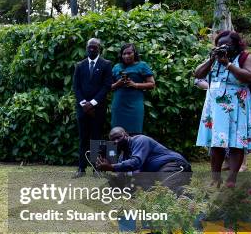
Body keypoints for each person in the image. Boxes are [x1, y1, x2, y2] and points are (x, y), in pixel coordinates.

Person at [195, 30, 251, 187]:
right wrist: (211, 60)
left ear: (237, 44)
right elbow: (198, 74)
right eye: (219, 45)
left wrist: (228, 65)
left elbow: (249, 76)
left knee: (237, 141)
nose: (223, 47)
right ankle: (215, 178)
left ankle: (231, 179)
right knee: (216, 142)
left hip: (237, 104)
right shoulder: (216, 58)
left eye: (227, 44)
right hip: (215, 105)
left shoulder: (246, 57)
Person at [97, 127, 192, 193]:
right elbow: (125, 177)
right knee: (135, 186)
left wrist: (112, 167)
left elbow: (136, 163)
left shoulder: (140, 140)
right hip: (155, 172)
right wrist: (107, 175)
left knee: (165, 192)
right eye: (113, 140)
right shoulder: (123, 156)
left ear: (126, 134)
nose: (116, 141)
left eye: (118, 137)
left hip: (174, 165)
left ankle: (192, 195)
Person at [72, 38, 113, 178]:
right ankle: (81, 169)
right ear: (86, 48)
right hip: (82, 110)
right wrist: (84, 104)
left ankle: (96, 168)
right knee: (83, 139)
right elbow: (76, 87)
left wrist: (93, 103)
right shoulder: (79, 65)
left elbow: (106, 86)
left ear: (99, 48)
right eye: (89, 47)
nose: (92, 49)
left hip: (98, 109)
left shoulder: (106, 64)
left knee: (96, 139)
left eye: (95, 47)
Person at [110, 43, 155, 134]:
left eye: (129, 53)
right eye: (124, 54)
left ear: (135, 53)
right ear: (121, 55)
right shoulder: (116, 67)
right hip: (119, 105)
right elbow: (108, 87)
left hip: (134, 106)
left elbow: (152, 84)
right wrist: (118, 83)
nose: (126, 56)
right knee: (116, 134)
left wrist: (135, 85)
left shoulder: (142, 65)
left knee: (134, 134)